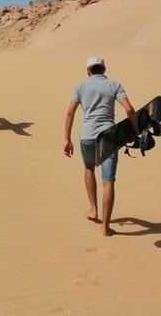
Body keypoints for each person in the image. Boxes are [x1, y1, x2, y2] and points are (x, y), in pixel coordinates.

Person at [63, 56, 138, 236]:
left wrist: (67, 139)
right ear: (104, 69)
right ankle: (105, 227)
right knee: (108, 181)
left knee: (89, 168)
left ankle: (93, 209)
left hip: (87, 136)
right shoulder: (114, 85)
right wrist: (135, 130)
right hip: (109, 137)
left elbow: (70, 111)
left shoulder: (80, 86)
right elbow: (129, 110)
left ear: (88, 71)